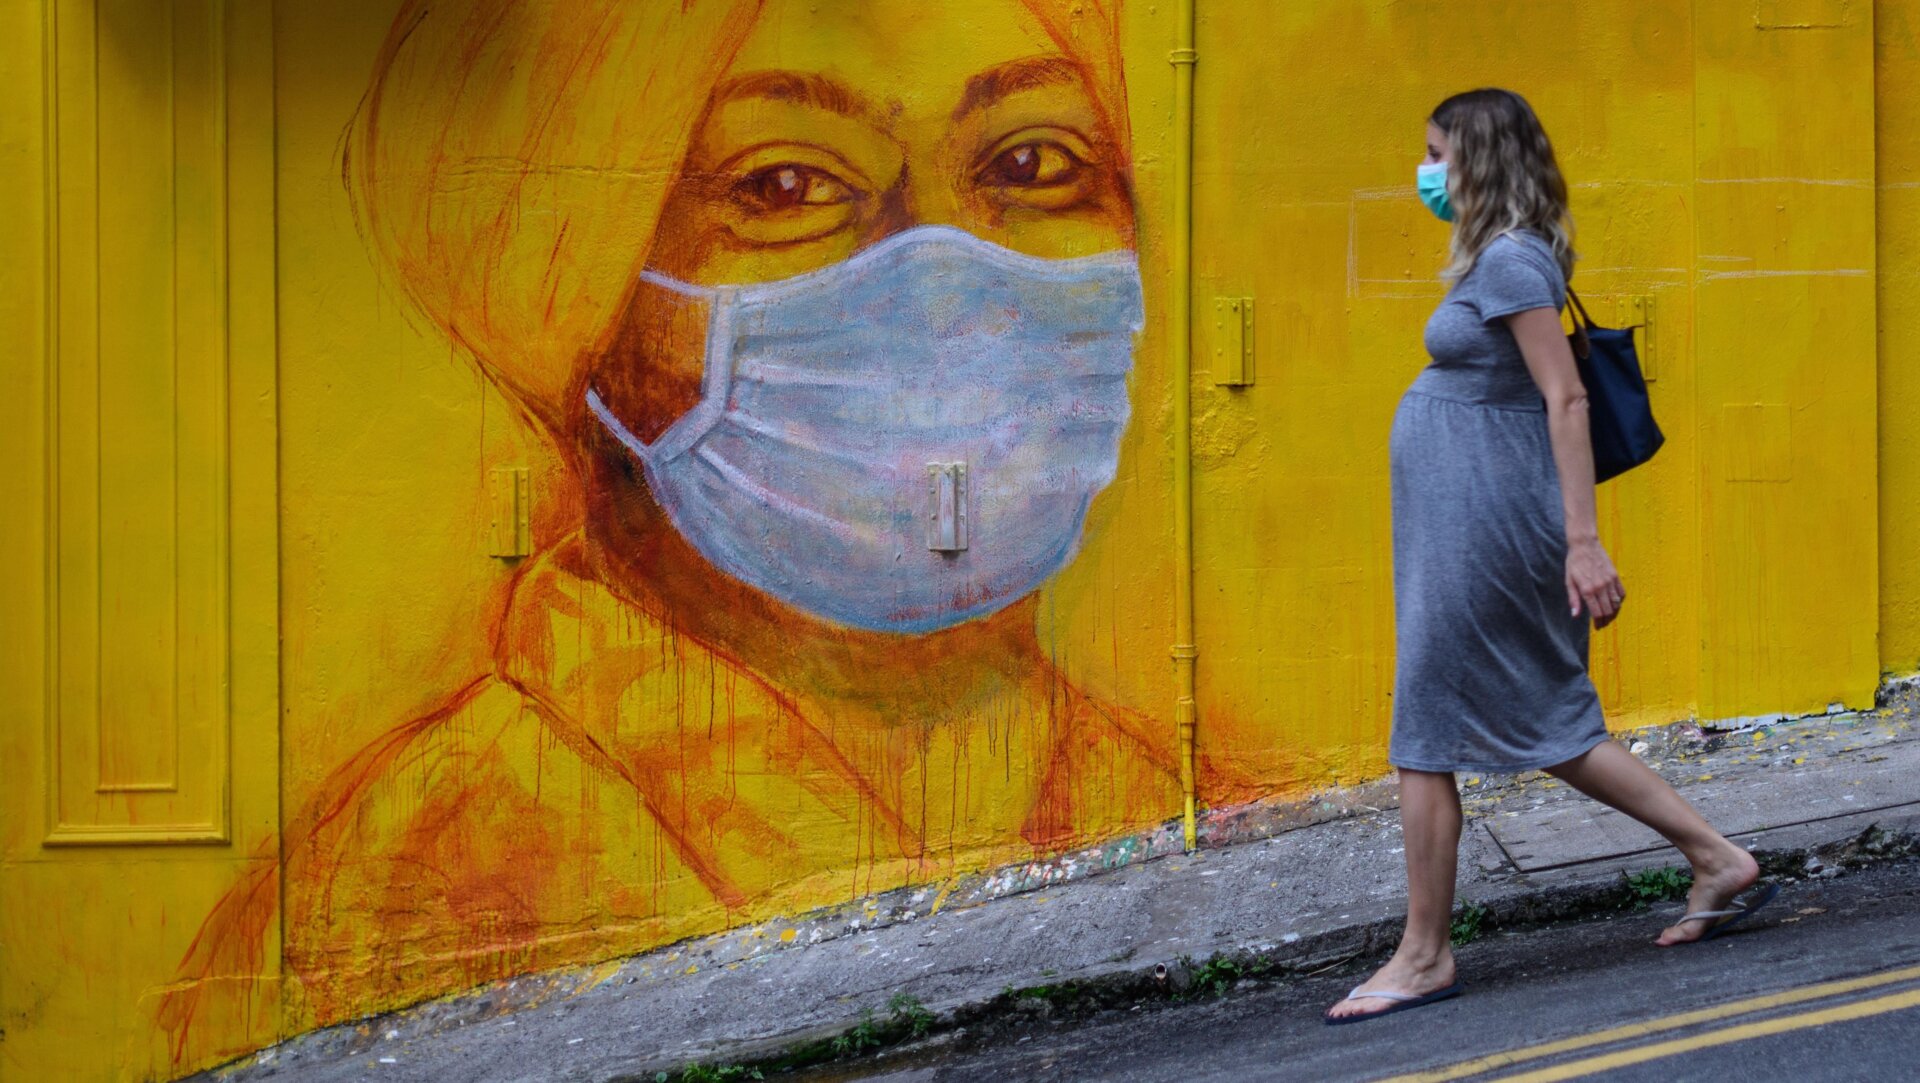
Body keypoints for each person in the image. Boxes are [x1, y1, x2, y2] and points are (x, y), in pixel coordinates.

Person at [158, 0, 1187, 1068]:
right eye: (784, 187)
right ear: (582, 297)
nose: (946, 275)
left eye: (1035, 161)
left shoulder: (1135, 797)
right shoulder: (409, 881)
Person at [1325, 88, 1775, 1025]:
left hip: (1492, 527)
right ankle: (1717, 858)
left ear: (1479, 159)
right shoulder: (1505, 256)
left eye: (1437, 155)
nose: (1428, 174)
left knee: (1429, 729)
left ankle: (1424, 954)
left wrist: (1582, 542)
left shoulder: (1513, 258)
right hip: (1467, 521)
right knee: (1544, 720)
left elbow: (1565, 400)